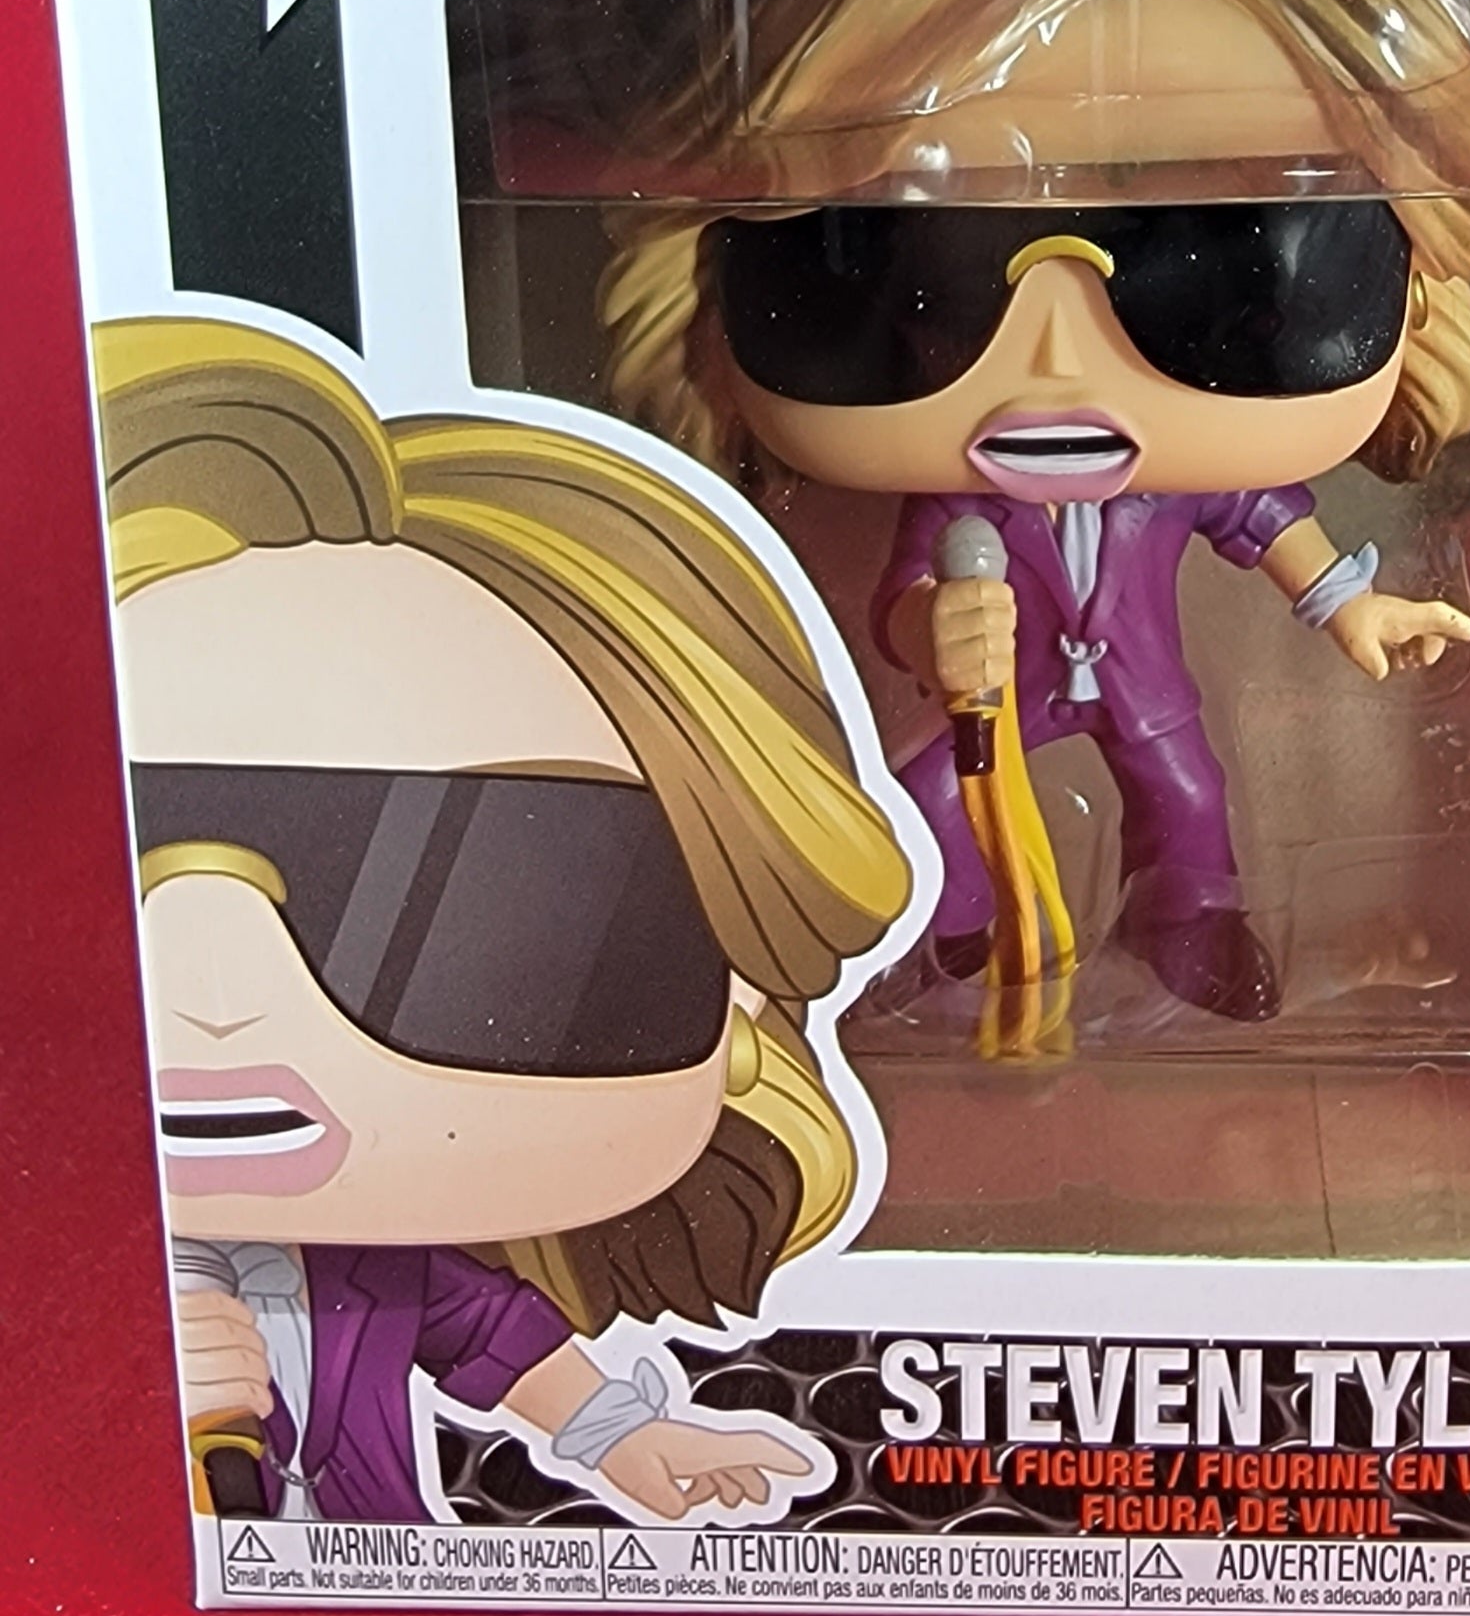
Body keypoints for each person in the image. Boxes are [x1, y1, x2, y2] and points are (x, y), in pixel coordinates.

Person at [602, 0, 1470, 1022]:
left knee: (1186, 792)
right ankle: (941, 930)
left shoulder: (1184, 486)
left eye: (1211, 273)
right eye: (923, 271)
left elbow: (1269, 522)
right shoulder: (961, 509)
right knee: (929, 798)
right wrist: (931, 630)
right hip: (1000, 699)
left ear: (1420, 289)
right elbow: (908, 594)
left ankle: (1190, 920)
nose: (1054, 363)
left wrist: (1356, 608)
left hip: (1145, 691)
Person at [100, 316, 912, 1524]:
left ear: (742, 974)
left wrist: (628, 1436)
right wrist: (121, 1369)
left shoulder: (380, 1253)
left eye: (501, 872)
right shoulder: (87, 1256)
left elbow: (485, 1327)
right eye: (138, 837)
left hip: (382, 1565)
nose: (217, 993)